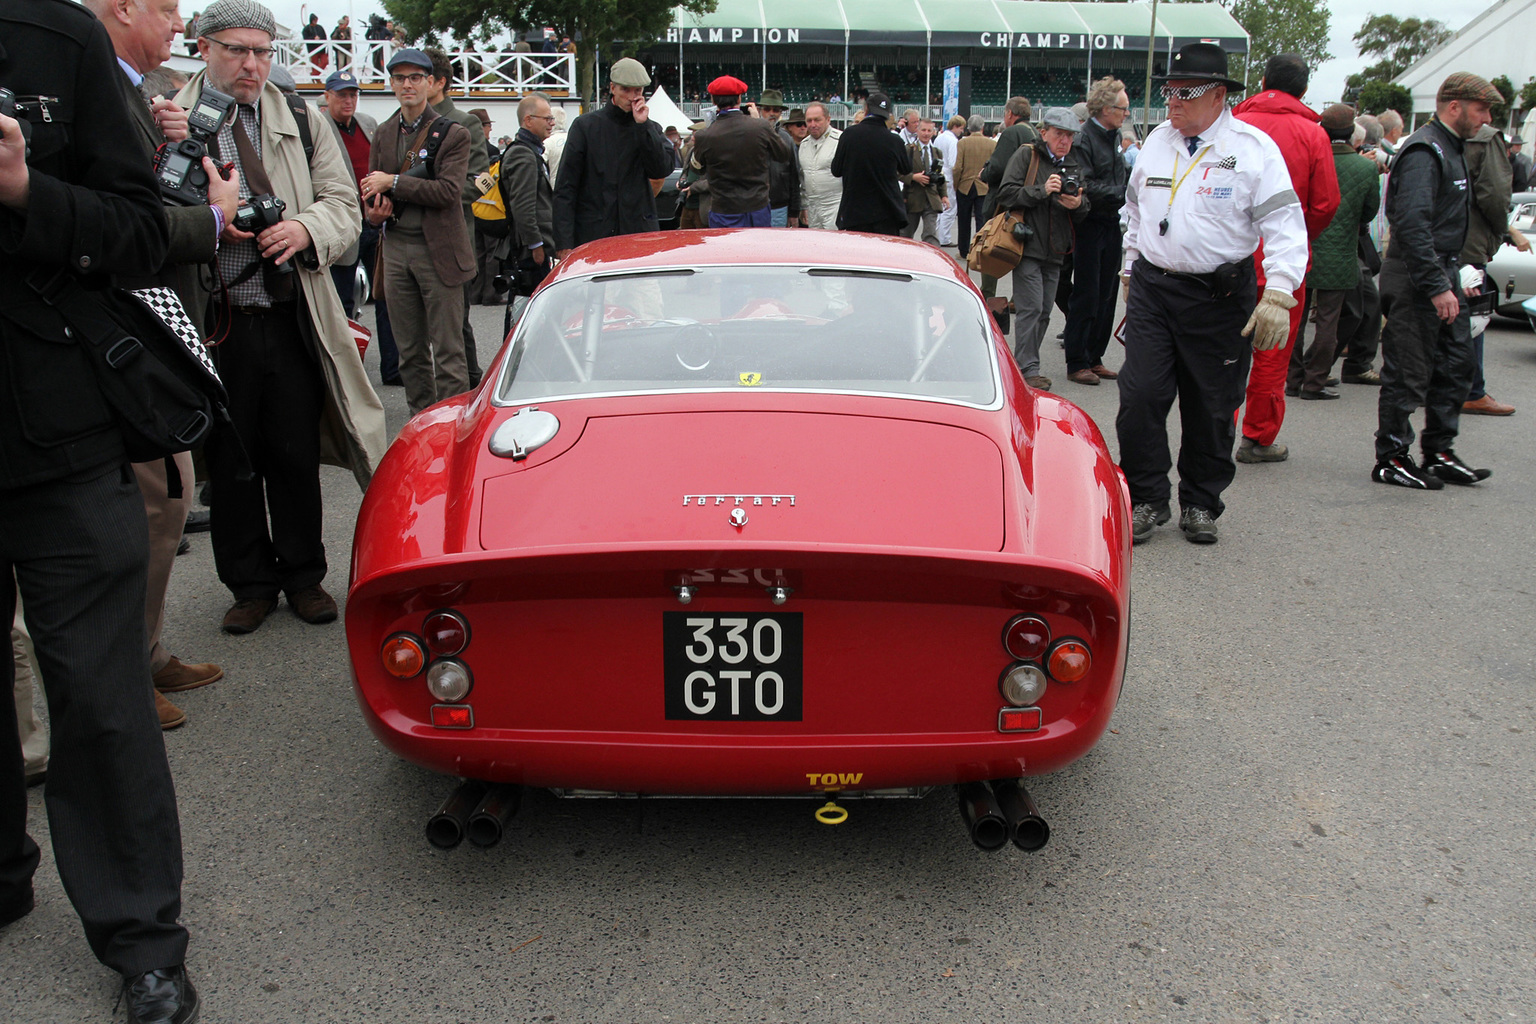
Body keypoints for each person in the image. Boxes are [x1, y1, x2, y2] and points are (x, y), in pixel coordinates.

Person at [0, 0, 199, 1018]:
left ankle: (142, 937)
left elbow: (136, 232)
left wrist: (26, 188)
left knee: (99, 691)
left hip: (56, 434)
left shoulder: (56, 37)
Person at [181, 0, 385, 632]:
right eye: (237, 50)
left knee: (294, 454)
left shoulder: (300, 113)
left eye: (263, 51)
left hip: (295, 314)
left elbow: (343, 203)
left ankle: (304, 576)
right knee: (233, 458)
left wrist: (301, 227)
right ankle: (249, 584)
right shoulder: (171, 117)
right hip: (216, 322)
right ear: (204, 48)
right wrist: (210, 221)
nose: (252, 64)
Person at [92, 0, 233, 729]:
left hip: (154, 327)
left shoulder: (136, 94)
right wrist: (213, 215)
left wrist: (167, 143)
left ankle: (143, 654)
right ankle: (123, 676)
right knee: (150, 505)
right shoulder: (98, 88)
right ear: (122, 8)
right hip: (125, 331)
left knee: (170, 498)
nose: (178, 23)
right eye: (168, 8)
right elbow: (126, 224)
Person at [1116, 42, 1307, 545]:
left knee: (1212, 405)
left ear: (1219, 95)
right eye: (1168, 92)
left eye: (1185, 93)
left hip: (1220, 298)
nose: (1172, 102)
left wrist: (1280, 291)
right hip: (1155, 290)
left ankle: (1201, 502)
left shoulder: (1253, 150)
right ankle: (1146, 497)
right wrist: (1130, 267)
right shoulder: (1157, 143)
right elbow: (1135, 212)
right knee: (1140, 397)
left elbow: (1287, 225)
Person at [1373, 73, 1503, 489]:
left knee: (1455, 366)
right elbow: (1412, 223)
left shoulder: (1453, 147)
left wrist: (1455, 274)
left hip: (1444, 269)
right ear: (1454, 106)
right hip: (1416, 276)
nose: (1485, 118)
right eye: (1481, 109)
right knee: (1408, 372)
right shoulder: (1424, 150)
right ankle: (1392, 457)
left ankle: (1439, 452)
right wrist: (1436, 285)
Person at [1231, 54, 1341, 464]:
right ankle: (1257, 437)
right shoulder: (1313, 134)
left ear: (1262, 81)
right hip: (1283, 268)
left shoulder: (1235, 125)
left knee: (1222, 351)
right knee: (1272, 354)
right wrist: (1295, 238)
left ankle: (1213, 430)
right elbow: (1325, 203)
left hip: (1230, 258)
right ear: (1305, 89)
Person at [362, 49, 476, 416]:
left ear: (431, 82)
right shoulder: (382, 132)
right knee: (409, 352)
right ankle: (422, 427)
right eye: (399, 78)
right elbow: (372, 191)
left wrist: (393, 181)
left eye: (415, 77)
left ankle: (452, 428)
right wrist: (374, 213)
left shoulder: (452, 133)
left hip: (438, 249)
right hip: (395, 247)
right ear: (391, 83)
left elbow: (448, 192)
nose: (407, 85)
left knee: (448, 351)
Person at [994, 107, 1091, 390]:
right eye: (1059, 134)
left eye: (1070, 136)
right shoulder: (1028, 155)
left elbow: (1084, 207)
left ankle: (1022, 363)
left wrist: (1078, 204)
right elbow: (1006, 193)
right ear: (1044, 132)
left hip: (1057, 249)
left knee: (1046, 310)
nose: (1064, 141)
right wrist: (1041, 190)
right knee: (1031, 308)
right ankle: (1028, 368)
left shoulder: (1072, 163)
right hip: (1026, 245)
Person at [1288, 104, 1380, 400]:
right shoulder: (1366, 168)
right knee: (1329, 320)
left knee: (1296, 320)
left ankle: (1291, 378)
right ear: (1352, 132)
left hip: (1302, 246)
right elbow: (1370, 211)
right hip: (1341, 252)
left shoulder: (1309, 157)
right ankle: (1315, 381)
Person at [553, 57, 674, 256]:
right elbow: (566, 186)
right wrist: (564, 242)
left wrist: (643, 127)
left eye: (637, 91)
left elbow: (661, 169)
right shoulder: (585, 126)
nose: (632, 97)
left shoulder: (649, 128)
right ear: (612, 88)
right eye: (625, 90)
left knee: (639, 287)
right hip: (594, 235)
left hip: (638, 235)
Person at [421, 47, 490, 386]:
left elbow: (481, 181)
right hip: (410, 238)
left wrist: (433, 195)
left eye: (420, 77)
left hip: (451, 235)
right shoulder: (404, 122)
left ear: (439, 82)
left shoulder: (465, 123)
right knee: (416, 335)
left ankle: (472, 389)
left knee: (455, 327)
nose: (411, 85)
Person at [1062, 76, 1130, 387]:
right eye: (1122, 108)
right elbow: (1085, 183)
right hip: (1089, 223)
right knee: (1087, 293)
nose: (1125, 114)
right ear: (1104, 108)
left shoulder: (1113, 137)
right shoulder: (1084, 138)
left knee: (1107, 293)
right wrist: (1123, 192)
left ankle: (1095, 356)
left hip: (1110, 222)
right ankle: (1077, 360)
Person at [1462, 122, 1528, 417]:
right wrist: (1508, 230)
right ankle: (1473, 392)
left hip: (1442, 244)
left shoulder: (1436, 136)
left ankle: (1435, 386)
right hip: (1470, 246)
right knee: (1474, 318)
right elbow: (1495, 196)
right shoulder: (1486, 139)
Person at [689, 76, 792, 228]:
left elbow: (696, 169)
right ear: (739, 99)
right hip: (757, 208)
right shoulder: (760, 127)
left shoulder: (704, 135)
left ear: (713, 101)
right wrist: (762, 124)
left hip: (724, 210)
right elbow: (784, 154)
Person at [321, 70, 378, 318]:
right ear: (327, 96)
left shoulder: (368, 124)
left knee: (385, 296)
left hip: (374, 218)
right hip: (343, 220)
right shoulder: (319, 126)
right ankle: (343, 353)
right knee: (342, 296)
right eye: (342, 95)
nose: (348, 101)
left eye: (353, 95)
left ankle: (391, 358)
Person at [499, 91, 558, 316]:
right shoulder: (522, 155)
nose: (551, 124)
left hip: (531, 247)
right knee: (527, 310)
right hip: (528, 250)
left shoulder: (528, 152)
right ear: (528, 120)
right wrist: (535, 245)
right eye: (547, 119)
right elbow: (523, 207)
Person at [977, 97, 1037, 298]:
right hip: (1028, 199)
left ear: (1010, 114)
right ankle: (1017, 297)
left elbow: (998, 167)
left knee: (991, 245)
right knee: (1022, 249)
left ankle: (988, 294)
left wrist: (984, 173)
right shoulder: (1035, 132)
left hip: (1004, 201)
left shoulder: (1012, 132)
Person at [830, 93, 909, 235]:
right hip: (887, 213)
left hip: (855, 212)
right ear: (887, 114)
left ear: (866, 109)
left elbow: (836, 170)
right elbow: (906, 168)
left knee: (858, 255)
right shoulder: (894, 140)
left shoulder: (849, 135)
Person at [902, 119, 949, 246]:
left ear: (934, 132)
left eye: (929, 131)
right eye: (923, 130)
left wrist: (944, 195)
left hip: (931, 198)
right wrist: (913, 177)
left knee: (931, 235)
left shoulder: (936, 152)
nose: (926, 133)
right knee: (906, 234)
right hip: (912, 197)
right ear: (917, 131)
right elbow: (897, 173)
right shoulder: (908, 150)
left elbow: (940, 176)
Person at [952, 113, 994, 258]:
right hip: (983, 186)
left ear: (968, 128)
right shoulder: (992, 143)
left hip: (965, 185)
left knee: (963, 220)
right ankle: (980, 250)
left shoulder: (962, 143)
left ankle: (963, 250)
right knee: (982, 221)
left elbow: (957, 167)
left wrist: (956, 184)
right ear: (983, 127)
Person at [758, 89, 801, 227]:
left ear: (780, 113)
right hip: (754, 205)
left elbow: (794, 176)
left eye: (776, 110)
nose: (772, 113)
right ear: (760, 110)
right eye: (767, 109)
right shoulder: (751, 135)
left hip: (780, 207)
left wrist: (794, 212)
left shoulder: (786, 138)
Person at [797, 101, 842, 229]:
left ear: (828, 119)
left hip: (835, 206)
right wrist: (804, 205)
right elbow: (803, 179)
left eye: (817, 120)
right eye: (809, 120)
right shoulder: (804, 145)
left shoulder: (841, 141)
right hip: (812, 208)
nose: (813, 124)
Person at [935, 114, 964, 245]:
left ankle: (935, 235)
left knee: (938, 208)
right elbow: (953, 163)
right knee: (950, 208)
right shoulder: (953, 141)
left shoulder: (939, 137)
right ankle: (944, 237)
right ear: (955, 126)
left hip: (938, 175)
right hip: (948, 176)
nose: (962, 132)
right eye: (961, 128)